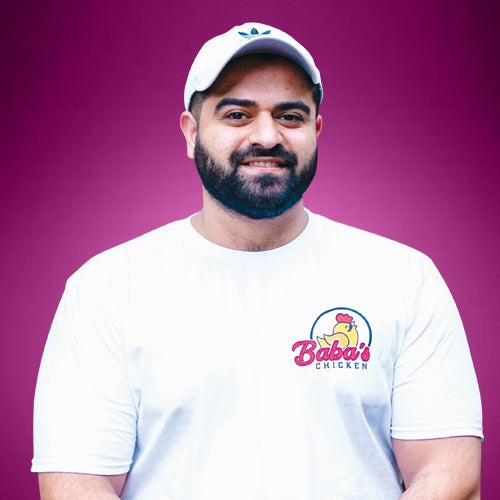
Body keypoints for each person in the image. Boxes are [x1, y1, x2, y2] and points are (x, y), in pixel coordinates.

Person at [32, 21, 483, 499]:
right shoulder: (107, 289)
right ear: (191, 132)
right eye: (237, 114)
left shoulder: (403, 278)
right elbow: (77, 485)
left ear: (316, 130)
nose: (267, 136)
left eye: (290, 116)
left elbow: (449, 475)